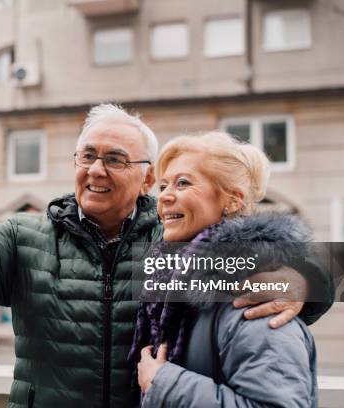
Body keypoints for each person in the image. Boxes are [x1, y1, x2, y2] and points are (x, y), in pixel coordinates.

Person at [0, 104, 331, 408]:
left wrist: (307, 281)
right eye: (86, 155)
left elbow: (286, 262)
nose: (96, 169)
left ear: (143, 179)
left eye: (116, 159)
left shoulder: (173, 249)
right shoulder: (25, 237)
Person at [132, 132, 319, 407]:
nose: (165, 197)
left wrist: (166, 384)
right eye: (163, 186)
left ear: (232, 201)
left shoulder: (255, 296)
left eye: (183, 183)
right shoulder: (174, 278)